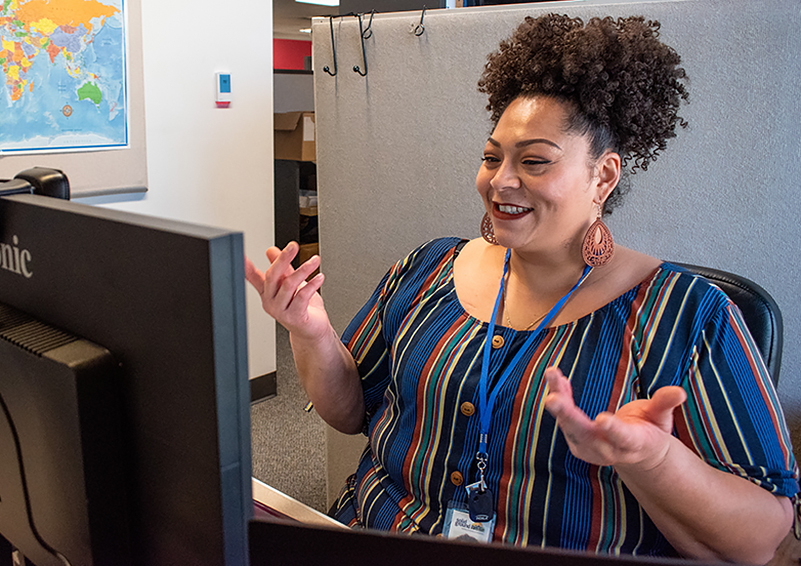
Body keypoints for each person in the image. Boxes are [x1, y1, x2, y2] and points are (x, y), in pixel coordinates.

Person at [246, 14, 798, 564]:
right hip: (373, 534)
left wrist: (653, 461)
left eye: (534, 161)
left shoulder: (687, 317)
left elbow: (761, 541)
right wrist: (310, 330)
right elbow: (350, 412)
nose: (500, 181)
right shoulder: (429, 267)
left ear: (603, 177)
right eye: (492, 157)